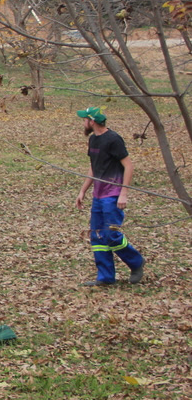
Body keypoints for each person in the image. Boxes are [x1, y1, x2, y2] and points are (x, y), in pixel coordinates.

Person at [75, 106, 145, 287]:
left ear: (92, 121)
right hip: (98, 195)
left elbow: (128, 166)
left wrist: (123, 193)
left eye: (85, 119)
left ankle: (136, 262)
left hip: (112, 195)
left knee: (112, 235)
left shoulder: (113, 139)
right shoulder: (93, 140)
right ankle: (105, 277)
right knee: (97, 236)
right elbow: (94, 167)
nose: (83, 122)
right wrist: (83, 190)